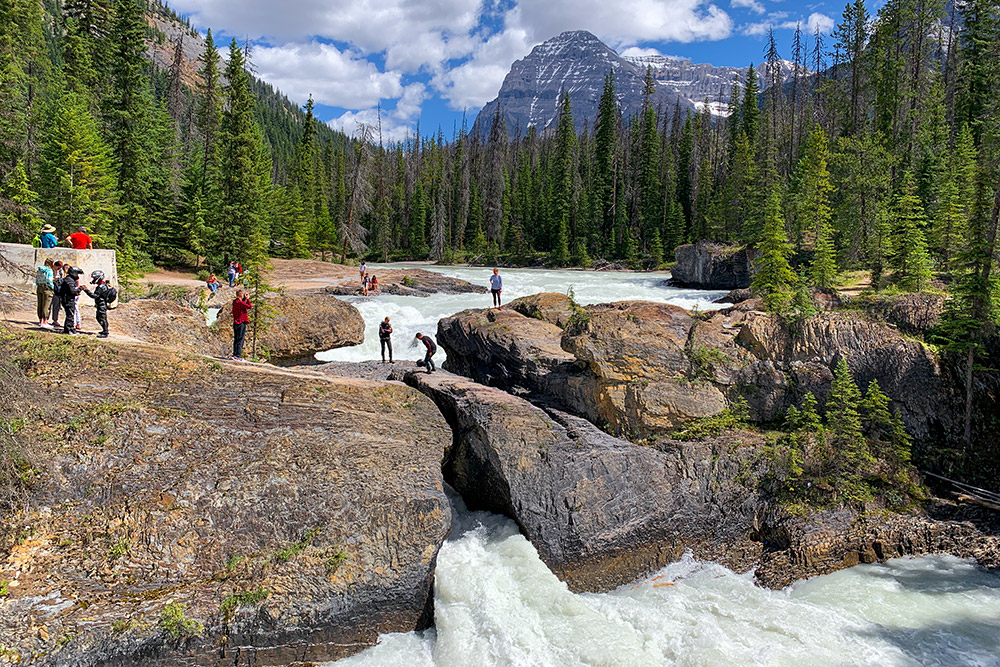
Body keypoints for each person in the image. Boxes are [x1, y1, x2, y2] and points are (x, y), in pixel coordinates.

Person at [83, 270, 115, 338]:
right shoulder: (102, 285)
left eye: (94, 278)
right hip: (100, 304)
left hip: (102, 304)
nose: (93, 280)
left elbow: (94, 296)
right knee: (99, 317)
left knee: (102, 318)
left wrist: (86, 290)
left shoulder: (101, 287)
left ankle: (105, 332)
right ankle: (104, 330)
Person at [59, 266, 84, 335]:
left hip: (68, 299)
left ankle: (67, 329)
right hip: (67, 299)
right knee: (70, 315)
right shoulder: (69, 280)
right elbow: (72, 291)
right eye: (77, 273)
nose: (77, 275)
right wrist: (80, 288)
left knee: (70, 314)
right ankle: (69, 330)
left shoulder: (69, 279)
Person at [231, 289, 252, 361]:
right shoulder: (240, 303)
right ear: (241, 295)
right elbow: (249, 306)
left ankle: (235, 354)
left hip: (236, 322)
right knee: (240, 339)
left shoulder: (235, 302)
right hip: (241, 322)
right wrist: (248, 299)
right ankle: (238, 356)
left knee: (236, 339)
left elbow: (242, 305)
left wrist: (244, 299)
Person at [35, 258, 55, 327]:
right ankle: (45, 322)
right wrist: (52, 287)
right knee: (46, 305)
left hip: (39, 287)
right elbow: (49, 280)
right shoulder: (49, 271)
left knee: (40, 304)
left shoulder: (39, 270)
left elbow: (37, 278)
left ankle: (40, 321)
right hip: (47, 288)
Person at [50, 261, 65, 326]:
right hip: (52, 288)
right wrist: (54, 279)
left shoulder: (60, 272)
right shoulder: (50, 271)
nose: (59, 269)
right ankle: (45, 319)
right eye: (58, 267)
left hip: (58, 290)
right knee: (49, 305)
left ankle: (55, 320)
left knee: (57, 306)